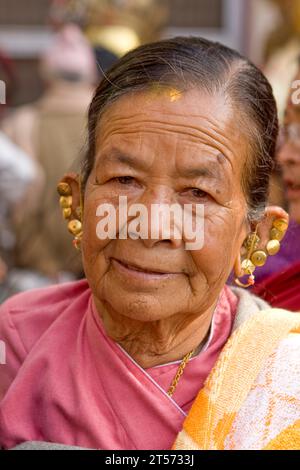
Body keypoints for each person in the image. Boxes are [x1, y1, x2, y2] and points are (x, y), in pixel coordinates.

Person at [0, 37, 299, 451]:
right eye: (125, 180)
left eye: (197, 193)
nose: (151, 223)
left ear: (256, 235)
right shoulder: (16, 340)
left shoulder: (285, 375)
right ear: (78, 201)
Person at [1, 24, 97, 280]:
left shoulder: (19, 125)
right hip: (93, 280)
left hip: (34, 279)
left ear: (46, 78)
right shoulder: (110, 123)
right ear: (90, 76)